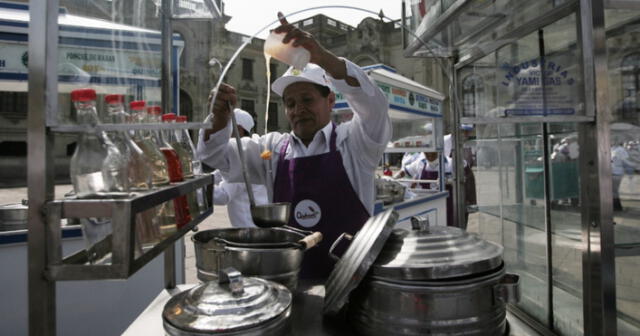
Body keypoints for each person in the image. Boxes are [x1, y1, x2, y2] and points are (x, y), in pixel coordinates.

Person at [197, 13, 391, 278]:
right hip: (287, 283)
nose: (298, 110)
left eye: (307, 99)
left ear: (330, 101)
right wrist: (219, 118)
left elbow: (374, 107)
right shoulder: (272, 150)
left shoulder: (355, 143)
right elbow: (214, 155)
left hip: (352, 285)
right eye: (290, 103)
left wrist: (324, 58)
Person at [212, 109, 268, 228]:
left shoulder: (241, 156)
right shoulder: (250, 151)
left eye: (225, 127)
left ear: (238, 129)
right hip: (258, 225)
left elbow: (223, 196)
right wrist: (200, 179)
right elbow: (218, 174)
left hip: (250, 230)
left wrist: (192, 191)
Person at [394, 151, 453, 226]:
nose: (430, 154)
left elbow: (461, 180)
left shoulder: (450, 163)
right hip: (425, 203)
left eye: (433, 152)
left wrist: (448, 181)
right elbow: (405, 171)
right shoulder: (420, 163)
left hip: (444, 204)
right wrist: (395, 177)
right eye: (427, 153)